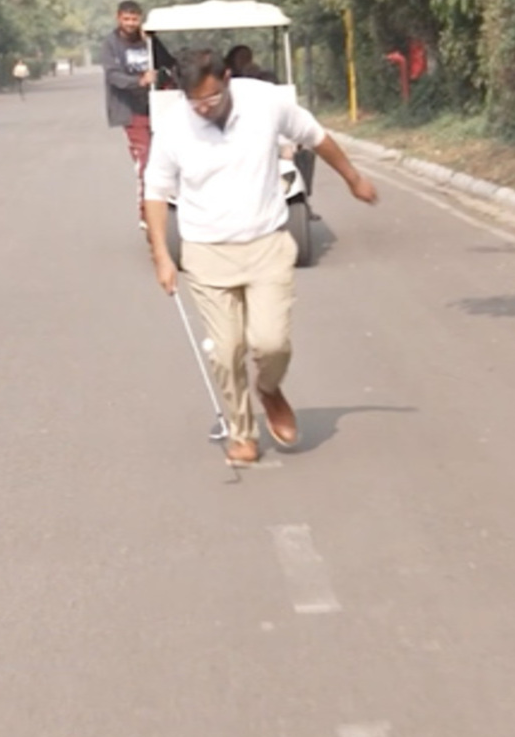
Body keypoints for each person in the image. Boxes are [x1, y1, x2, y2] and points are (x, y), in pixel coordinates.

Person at [144, 48, 379, 466]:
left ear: (228, 78)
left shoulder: (265, 102)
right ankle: (241, 432)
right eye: (195, 101)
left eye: (212, 99)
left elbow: (316, 137)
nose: (204, 109)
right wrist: (163, 254)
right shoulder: (174, 127)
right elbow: (156, 192)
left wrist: (353, 178)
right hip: (206, 251)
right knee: (226, 350)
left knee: (271, 343)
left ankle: (269, 390)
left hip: (267, 243)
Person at [100, 0, 175, 228]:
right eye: (126, 19)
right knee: (146, 160)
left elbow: (169, 63)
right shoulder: (111, 44)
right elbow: (113, 76)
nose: (131, 24)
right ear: (118, 18)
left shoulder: (149, 40)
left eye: (134, 19)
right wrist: (140, 80)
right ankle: (146, 213)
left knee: (169, 158)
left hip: (159, 107)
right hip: (131, 110)